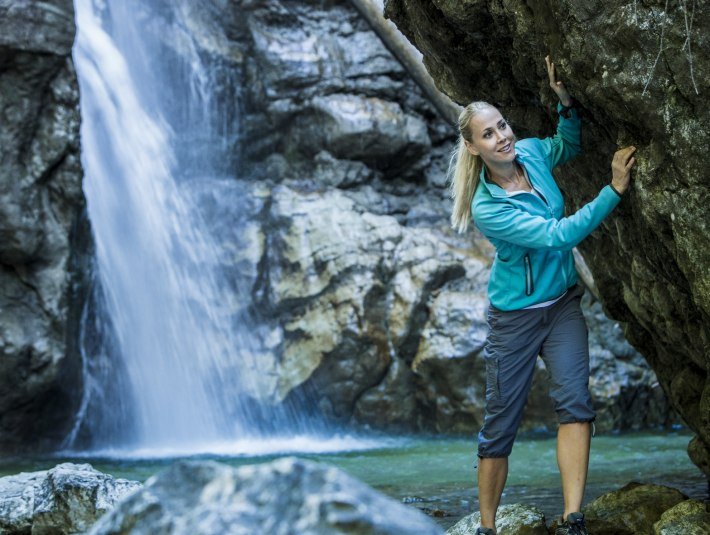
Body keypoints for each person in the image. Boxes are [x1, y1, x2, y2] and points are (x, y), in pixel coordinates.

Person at [448, 56, 636, 535]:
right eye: (488, 134)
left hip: (562, 305)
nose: (502, 136)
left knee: (575, 404)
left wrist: (565, 102)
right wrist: (613, 189)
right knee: (499, 426)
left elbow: (565, 146)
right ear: (472, 148)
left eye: (502, 125)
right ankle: (487, 527)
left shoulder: (529, 152)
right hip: (514, 318)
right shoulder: (488, 208)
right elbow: (557, 236)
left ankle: (574, 517)